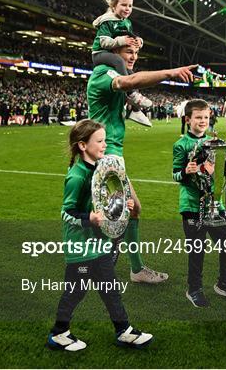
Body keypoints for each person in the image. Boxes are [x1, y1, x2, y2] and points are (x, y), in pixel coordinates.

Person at [87, 41, 196, 283]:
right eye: (129, 52)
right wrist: (170, 73)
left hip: (113, 153)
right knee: (115, 215)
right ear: (114, 53)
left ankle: (132, 270)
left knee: (130, 210)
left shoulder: (114, 80)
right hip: (105, 156)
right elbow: (129, 82)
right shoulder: (102, 73)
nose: (134, 57)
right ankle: (101, 267)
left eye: (136, 53)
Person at [47, 120, 153, 351]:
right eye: (100, 141)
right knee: (75, 292)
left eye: (105, 139)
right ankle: (59, 333)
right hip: (81, 248)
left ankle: (123, 330)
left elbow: (106, 203)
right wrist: (89, 220)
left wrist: (120, 205)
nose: (105, 145)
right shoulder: (77, 176)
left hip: (99, 245)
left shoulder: (102, 169)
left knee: (111, 290)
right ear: (83, 145)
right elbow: (66, 213)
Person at [172, 99, 226, 308]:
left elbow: (220, 171)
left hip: (215, 205)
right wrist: (185, 172)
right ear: (187, 120)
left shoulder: (215, 143)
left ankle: (224, 284)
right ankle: (194, 289)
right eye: (198, 117)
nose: (203, 121)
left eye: (206, 117)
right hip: (192, 206)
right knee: (197, 250)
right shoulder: (181, 145)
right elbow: (175, 175)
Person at [91, 0, 152, 127]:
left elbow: (131, 36)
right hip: (100, 54)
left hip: (111, 52)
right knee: (119, 60)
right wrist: (121, 41)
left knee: (131, 73)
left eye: (130, 5)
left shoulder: (127, 22)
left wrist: (138, 40)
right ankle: (131, 94)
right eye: (123, 5)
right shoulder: (107, 21)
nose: (127, 8)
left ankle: (135, 110)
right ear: (113, 6)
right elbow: (103, 42)